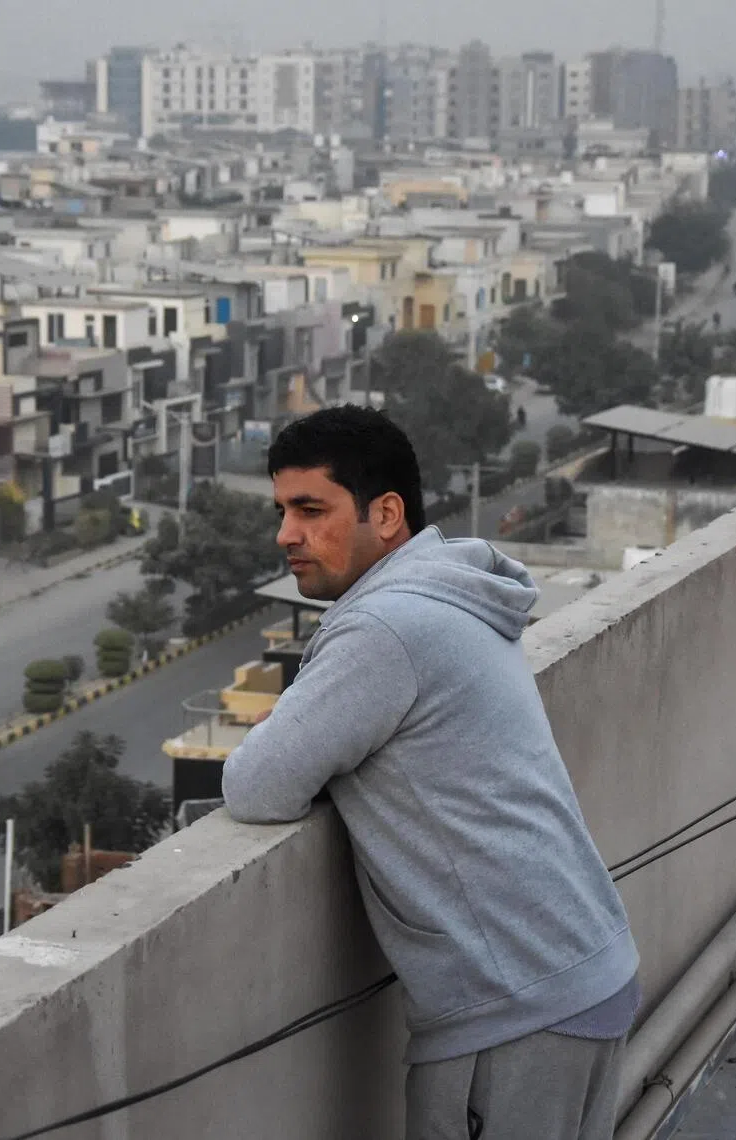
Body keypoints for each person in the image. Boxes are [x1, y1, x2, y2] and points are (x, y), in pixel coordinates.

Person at [222, 405, 639, 1140]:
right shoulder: (450, 595)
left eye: (311, 509)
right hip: (579, 973)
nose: (286, 535)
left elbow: (256, 786)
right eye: (283, 511)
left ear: (385, 514)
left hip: (515, 1009)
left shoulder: (386, 628)